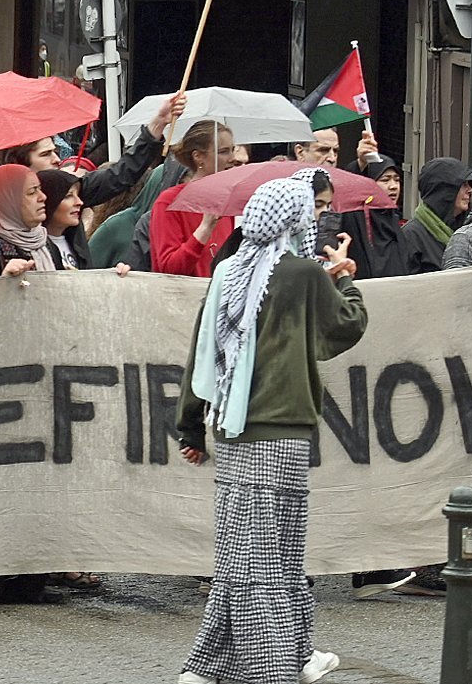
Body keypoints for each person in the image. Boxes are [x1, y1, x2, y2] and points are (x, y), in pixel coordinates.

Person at [175, 169, 369, 684]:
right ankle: (273, 669)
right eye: (314, 211)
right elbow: (346, 325)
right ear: (296, 218)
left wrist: (190, 428)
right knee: (268, 555)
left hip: (232, 429)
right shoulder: (303, 272)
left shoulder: (229, 271)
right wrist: (345, 277)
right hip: (282, 428)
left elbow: (202, 355)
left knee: (251, 549)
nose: (319, 218)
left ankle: (212, 665)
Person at [147, 121, 247, 276]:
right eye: (223, 151)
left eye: (232, 150)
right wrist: (205, 229)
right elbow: (168, 269)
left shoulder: (226, 201)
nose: (232, 158)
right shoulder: (169, 202)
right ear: (198, 157)